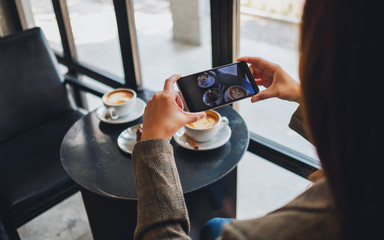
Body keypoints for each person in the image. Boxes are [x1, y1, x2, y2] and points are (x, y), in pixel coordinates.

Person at [131, 0, 383, 239]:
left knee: (215, 227)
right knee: (213, 226)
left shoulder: (321, 222)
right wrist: (301, 95)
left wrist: (153, 143)